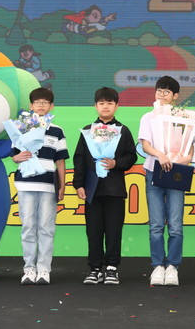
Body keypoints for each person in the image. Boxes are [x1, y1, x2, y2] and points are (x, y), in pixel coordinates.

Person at [72, 87, 137, 285]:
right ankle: (94, 268)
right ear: (95, 106)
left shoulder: (123, 130)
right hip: (92, 189)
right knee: (93, 230)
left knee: (114, 230)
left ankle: (111, 268)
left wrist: (116, 163)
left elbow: (131, 156)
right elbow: (79, 159)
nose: (105, 107)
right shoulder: (87, 131)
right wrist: (79, 184)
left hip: (115, 189)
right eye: (101, 103)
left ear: (117, 106)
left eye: (109, 103)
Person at [138, 76, 193, 286]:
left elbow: (190, 148)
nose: (162, 95)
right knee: (156, 225)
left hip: (176, 173)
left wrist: (182, 160)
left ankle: (173, 266)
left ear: (175, 96)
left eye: (167, 92)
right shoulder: (148, 117)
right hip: (154, 171)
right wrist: (161, 155)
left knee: (176, 225)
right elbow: (145, 145)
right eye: (159, 91)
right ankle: (158, 266)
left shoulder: (183, 117)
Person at [12, 87, 68, 285]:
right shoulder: (21, 127)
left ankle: (44, 269)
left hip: (48, 186)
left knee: (46, 228)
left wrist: (62, 185)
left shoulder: (57, 131)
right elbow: (14, 155)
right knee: (28, 227)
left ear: (51, 106)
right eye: (37, 102)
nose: (41, 106)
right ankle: (29, 268)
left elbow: (60, 161)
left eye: (45, 102)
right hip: (26, 184)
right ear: (31, 106)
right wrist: (18, 157)